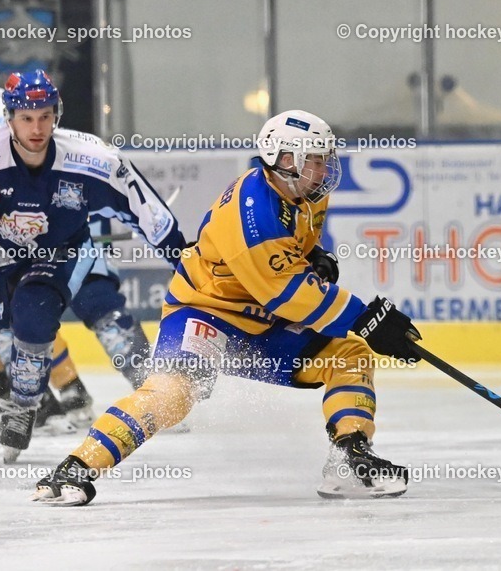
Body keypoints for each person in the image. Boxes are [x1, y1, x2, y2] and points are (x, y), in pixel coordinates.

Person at [33, 110, 421, 505]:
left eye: (324, 160)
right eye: (315, 161)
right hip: (206, 314)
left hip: (261, 320)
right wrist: (367, 319)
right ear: (285, 160)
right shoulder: (255, 213)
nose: (322, 171)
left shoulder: (304, 193)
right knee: (173, 394)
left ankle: (348, 458)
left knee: (348, 357)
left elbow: (288, 262)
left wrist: (312, 256)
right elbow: (288, 293)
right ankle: (77, 467)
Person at [0, 69, 185, 463]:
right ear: (9, 117)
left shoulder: (94, 159)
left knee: (36, 313)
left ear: (57, 114)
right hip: (0, 256)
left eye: (45, 115)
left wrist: (184, 261)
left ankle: (25, 404)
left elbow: (147, 212)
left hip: (62, 253)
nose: (36, 127)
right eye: (26, 117)